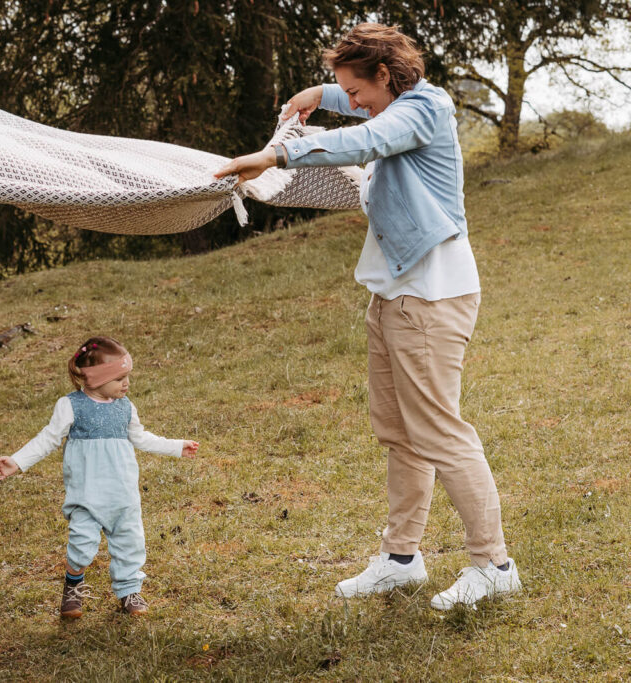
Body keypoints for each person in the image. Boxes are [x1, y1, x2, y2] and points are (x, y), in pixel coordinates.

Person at [215, 23, 520, 610]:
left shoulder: (424, 109)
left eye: (355, 92)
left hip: (431, 297)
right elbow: (363, 111)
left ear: (385, 75)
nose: (350, 103)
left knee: (440, 433)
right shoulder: (394, 101)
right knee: (401, 433)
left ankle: (494, 564)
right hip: (395, 295)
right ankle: (402, 558)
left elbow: (366, 140)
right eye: (344, 94)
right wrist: (315, 95)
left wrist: (276, 154)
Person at [0, 336, 199, 618]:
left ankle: (129, 591)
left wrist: (176, 447)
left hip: (123, 493)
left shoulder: (125, 407)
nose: (126, 384)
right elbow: (49, 439)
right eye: (119, 378)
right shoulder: (71, 406)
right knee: (81, 545)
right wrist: (16, 462)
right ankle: (73, 587)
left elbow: (141, 438)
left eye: (127, 377)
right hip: (86, 494)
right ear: (93, 379)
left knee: (130, 543)